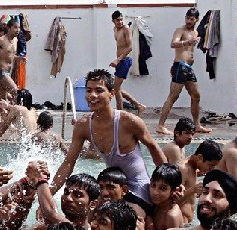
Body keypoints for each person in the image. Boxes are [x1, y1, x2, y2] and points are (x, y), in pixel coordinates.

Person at [49, 69, 166, 221]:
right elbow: (68, 162)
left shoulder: (129, 122)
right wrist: (50, 193)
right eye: (89, 90)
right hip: (110, 187)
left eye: (99, 90)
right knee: (83, 219)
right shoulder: (83, 125)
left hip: (137, 187)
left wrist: (171, 182)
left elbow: (153, 148)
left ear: (111, 93)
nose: (92, 95)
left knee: (126, 222)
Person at [156, 7, 211, 135]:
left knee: (196, 95)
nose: (188, 21)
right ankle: (160, 125)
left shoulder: (196, 32)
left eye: (191, 19)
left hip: (189, 68)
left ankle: (197, 125)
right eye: (187, 18)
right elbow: (173, 44)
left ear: (196, 20)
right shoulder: (180, 30)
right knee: (173, 96)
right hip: (180, 66)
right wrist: (187, 42)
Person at [109, 10, 146, 113]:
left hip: (125, 60)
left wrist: (118, 59)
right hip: (120, 61)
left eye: (121, 20)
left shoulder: (126, 28)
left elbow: (130, 47)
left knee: (115, 89)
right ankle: (138, 105)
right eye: (117, 20)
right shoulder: (115, 30)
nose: (120, 22)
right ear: (113, 21)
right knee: (117, 88)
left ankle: (120, 114)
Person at [178, 140, 223, 223]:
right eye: (211, 165)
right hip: (180, 223)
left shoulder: (194, 168)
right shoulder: (183, 169)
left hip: (188, 222)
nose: (212, 169)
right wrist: (193, 190)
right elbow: (172, 202)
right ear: (199, 157)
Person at [147, 163, 185, 230]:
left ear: (173, 190)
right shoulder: (158, 204)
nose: (155, 192)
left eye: (163, 188)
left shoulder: (171, 216)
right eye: (153, 185)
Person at [0, 18, 21, 103]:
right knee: (15, 91)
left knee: (2, 101)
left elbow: (9, 55)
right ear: (8, 28)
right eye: (15, 27)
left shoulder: (15, 40)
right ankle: (15, 113)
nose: (17, 30)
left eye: (19, 28)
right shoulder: (1, 40)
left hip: (8, 71)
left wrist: (19, 58)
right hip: (0, 72)